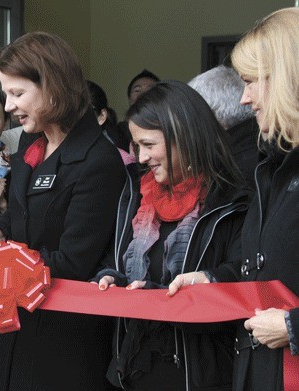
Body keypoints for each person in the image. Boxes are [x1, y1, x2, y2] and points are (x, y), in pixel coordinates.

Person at [0, 31, 126, 390]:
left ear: (53, 88)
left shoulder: (98, 160)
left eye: (17, 93)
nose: (8, 106)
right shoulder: (30, 140)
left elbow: (74, 260)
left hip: (65, 335)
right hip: (18, 321)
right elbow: (17, 215)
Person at [168, 8, 299, 390]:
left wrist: (293, 327)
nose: (244, 99)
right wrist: (213, 279)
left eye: (251, 81)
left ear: (288, 77)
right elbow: (267, 269)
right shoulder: (271, 166)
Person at [94, 80, 249, 390]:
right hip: (134, 364)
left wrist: (196, 283)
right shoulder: (136, 193)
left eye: (149, 145)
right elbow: (117, 256)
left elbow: (241, 275)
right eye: (136, 146)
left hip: (198, 371)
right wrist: (112, 277)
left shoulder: (232, 197)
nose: (140, 158)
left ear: (185, 136)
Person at [188, 65, 259, 188]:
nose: (189, 127)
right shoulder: (259, 147)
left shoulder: (232, 168)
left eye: (193, 116)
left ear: (210, 114)